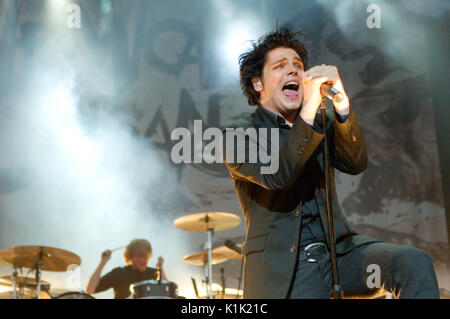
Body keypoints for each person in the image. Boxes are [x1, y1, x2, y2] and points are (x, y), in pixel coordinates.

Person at [222, 27, 440, 299]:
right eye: (280, 66)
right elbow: (278, 175)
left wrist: (342, 107)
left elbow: (355, 163)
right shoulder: (237, 135)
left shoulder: (320, 122)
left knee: (412, 262)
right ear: (258, 84)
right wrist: (309, 108)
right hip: (288, 267)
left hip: (341, 255)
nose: (293, 71)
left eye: (298, 66)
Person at [86, 238, 167, 299]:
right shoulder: (119, 272)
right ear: (130, 257)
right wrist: (103, 262)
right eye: (139, 256)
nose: (143, 260)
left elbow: (168, 292)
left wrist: (161, 269)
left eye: (145, 256)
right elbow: (90, 289)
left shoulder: (154, 273)